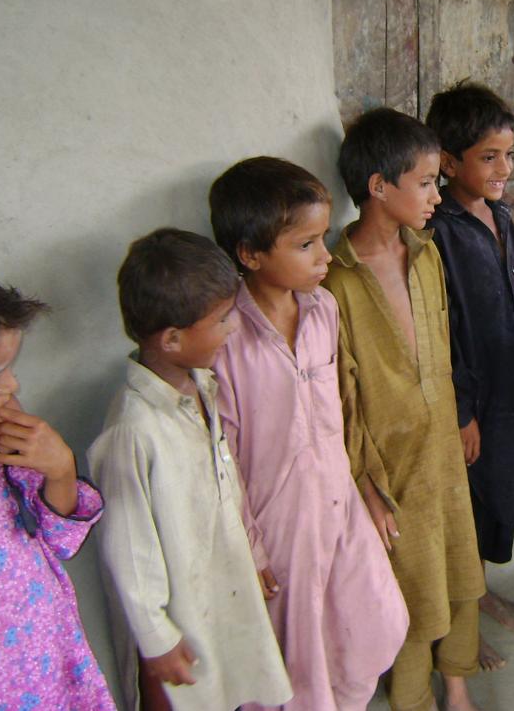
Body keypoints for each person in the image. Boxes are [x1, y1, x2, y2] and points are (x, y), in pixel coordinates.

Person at [208, 156, 409, 710]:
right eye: (305, 245)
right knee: (297, 659)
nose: (325, 256)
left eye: (323, 239)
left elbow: (340, 411)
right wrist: (248, 547)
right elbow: (221, 459)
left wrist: (365, 488)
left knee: (373, 621)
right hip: (279, 523)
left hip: (338, 503)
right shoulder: (227, 340)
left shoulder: (322, 310)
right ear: (250, 255)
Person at [89, 229, 292, 710]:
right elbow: (128, 549)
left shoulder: (202, 386)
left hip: (223, 586)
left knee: (232, 686)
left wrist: (254, 553)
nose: (233, 329)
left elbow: (227, 484)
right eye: (223, 320)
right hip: (178, 617)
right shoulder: (133, 430)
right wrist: (155, 636)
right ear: (174, 338)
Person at [324, 107, 485, 711]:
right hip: (391, 461)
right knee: (410, 582)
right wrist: (364, 479)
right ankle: (412, 697)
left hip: (441, 441)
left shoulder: (426, 254)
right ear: (378, 187)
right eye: (425, 182)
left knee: (461, 563)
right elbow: (341, 397)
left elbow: (444, 347)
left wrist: (461, 413)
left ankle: (458, 683)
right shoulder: (335, 282)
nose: (437, 195)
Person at [0, 244, 116, 710]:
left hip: (47, 663)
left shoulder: (2, 428)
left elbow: (56, 542)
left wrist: (58, 469)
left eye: (9, 369)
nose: (12, 386)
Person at [424, 81, 514, 670]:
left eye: (509, 154)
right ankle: (456, 621)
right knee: (462, 506)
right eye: (488, 156)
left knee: (493, 500)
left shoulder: (500, 215)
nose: (504, 167)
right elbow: (441, 333)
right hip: (469, 395)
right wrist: (461, 411)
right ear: (448, 162)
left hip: (508, 387)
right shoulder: (438, 233)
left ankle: (477, 594)